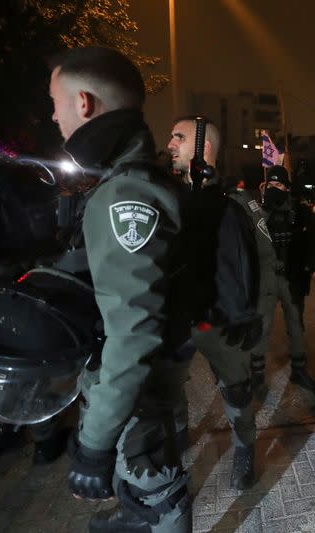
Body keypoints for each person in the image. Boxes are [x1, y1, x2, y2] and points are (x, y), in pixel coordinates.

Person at [48, 46, 191, 532]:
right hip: (128, 379)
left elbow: (133, 335)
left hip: (132, 385)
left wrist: (94, 444)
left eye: (55, 101)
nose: (53, 115)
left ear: (83, 103)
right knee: (141, 483)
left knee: (159, 491)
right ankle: (134, 514)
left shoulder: (124, 193)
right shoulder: (121, 178)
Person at [166, 116, 262, 489]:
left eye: (179, 137)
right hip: (176, 319)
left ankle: (243, 450)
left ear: (203, 147)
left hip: (221, 319)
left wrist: (251, 314)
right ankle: (176, 438)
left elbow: (259, 264)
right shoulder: (166, 197)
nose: (170, 143)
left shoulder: (234, 204)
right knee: (170, 386)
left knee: (236, 391)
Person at [250, 165, 315, 397]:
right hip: (267, 277)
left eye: (279, 185)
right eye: (271, 185)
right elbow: (250, 237)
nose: (274, 189)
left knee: (296, 326)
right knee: (262, 326)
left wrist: (309, 267)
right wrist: (266, 209)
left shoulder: (299, 211)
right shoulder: (258, 210)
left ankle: (299, 370)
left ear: (287, 188)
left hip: (291, 278)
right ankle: (257, 376)